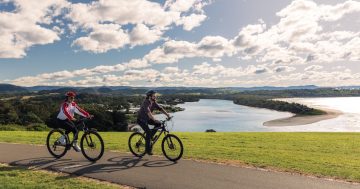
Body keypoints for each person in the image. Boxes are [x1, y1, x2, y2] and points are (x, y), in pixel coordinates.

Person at [137, 90, 171, 155]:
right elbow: (148, 112)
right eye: (154, 96)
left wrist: (167, 115)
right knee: (148, 133)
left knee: (159, 124)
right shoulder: (146, 102)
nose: (155, 97)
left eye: (155, 96)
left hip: (148, 119)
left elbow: (160, 108)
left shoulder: (154, 102)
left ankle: (150, 136)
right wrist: (154, 119)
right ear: (150, 97)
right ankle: (147, 150)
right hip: (141, 120)